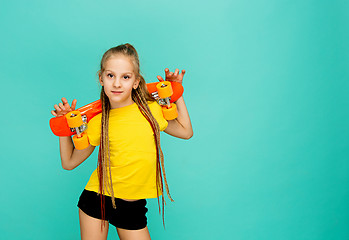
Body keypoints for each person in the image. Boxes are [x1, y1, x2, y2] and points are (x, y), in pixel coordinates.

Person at [51, 43, 193, 240]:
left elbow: (186, 132)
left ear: (136, 82)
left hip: (132, 206)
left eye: (125, 77)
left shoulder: (151, 111)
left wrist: (176, 93)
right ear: (101, 78)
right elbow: (69, 162)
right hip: (98, 199)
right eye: (110, 76)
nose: (117, 84)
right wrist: (65, 126)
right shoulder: (97, 122)